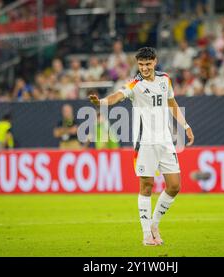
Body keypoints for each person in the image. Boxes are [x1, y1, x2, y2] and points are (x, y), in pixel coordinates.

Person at [89, 47, 195, 246]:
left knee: (174, 186)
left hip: (165, 142)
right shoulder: (134, 83)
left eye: (147, 64)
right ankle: (147, 235)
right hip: (145, 143)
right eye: (141, 65)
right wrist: (101, 102)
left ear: (154, 62)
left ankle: (154, 224)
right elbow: (117, 96)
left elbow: (171, 103)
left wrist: (186, 126)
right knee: (146, 187)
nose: (144, 68)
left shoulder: (165, 80)